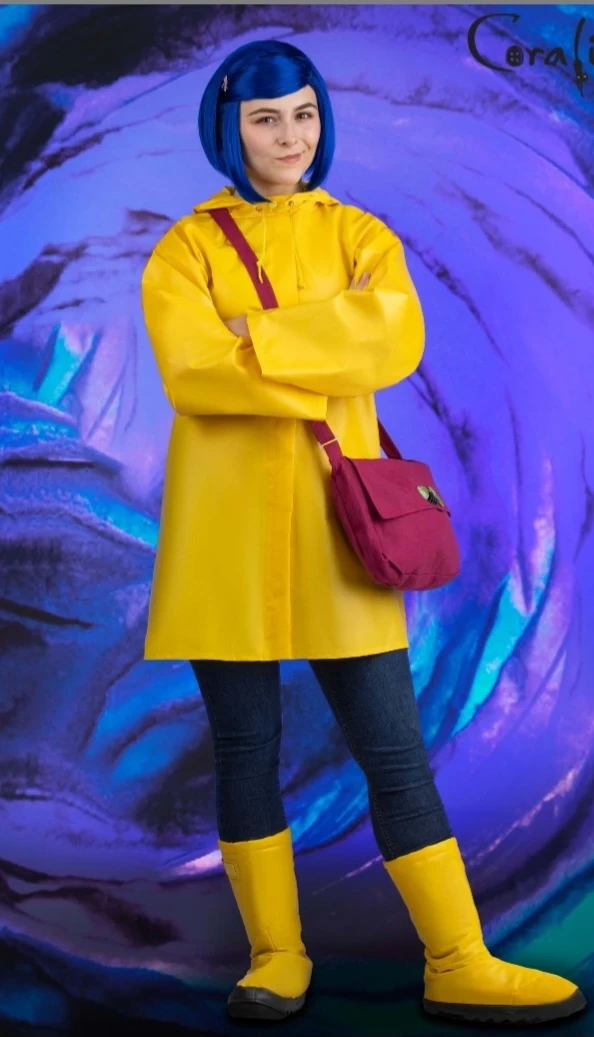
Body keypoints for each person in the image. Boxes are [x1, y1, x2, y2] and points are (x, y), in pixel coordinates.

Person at [140, 39, 586, 1027]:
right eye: (266, 119)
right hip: (224, 533)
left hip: (342, 524)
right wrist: (323, 347)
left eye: (303, 114)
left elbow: (392, 339)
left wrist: (256, 335)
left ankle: (459, 959)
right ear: (229, 129)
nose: (289, 136)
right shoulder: (184, 249)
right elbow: (190, 373)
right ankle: (275, 957)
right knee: (244, 744)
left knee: (393, 749)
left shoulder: (361, 235)